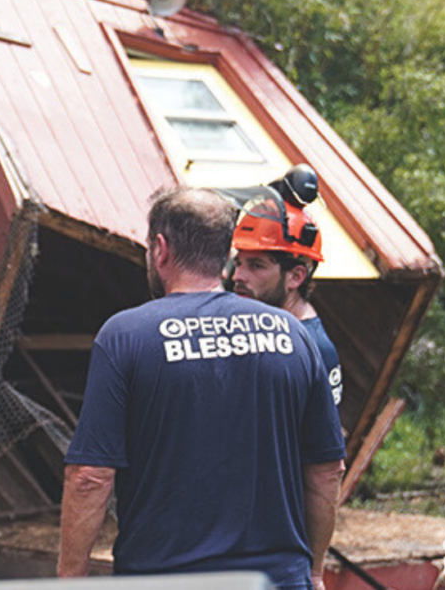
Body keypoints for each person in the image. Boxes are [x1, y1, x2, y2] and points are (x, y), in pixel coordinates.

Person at [58, 187, 345, 589]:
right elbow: (327, 470)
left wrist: (71, 578)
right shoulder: (295, 337)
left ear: (161, 249)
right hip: (277, 581)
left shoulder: (125, 336)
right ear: (226, 254)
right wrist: (313, 571)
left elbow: (90, 476)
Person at [226, 198, 343, 406]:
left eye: (256, 266)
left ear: (296, 277)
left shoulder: (315, 351)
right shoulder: (255, 321)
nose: (238, 276)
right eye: (238, 263)